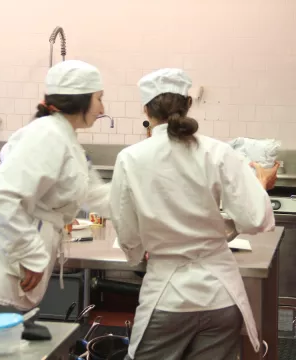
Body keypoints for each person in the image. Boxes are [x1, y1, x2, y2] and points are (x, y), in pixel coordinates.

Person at [109, 68, 279, 360]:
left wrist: (139, 252)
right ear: (188, 103)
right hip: (221, 297)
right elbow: (255, 218)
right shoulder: (218, 152)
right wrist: (259, 186)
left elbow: (128, 233)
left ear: (146, 109)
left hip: (167, 298)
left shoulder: (131, 158)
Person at [0, 60, 110, 311]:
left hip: (6, 261)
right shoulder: (47, 135)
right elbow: (6, 197)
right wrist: (32, 254)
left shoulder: (65, 140)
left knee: (2, 346)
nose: (102, 109)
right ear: (81, 100)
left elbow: (98, 196)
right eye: (99, 98)